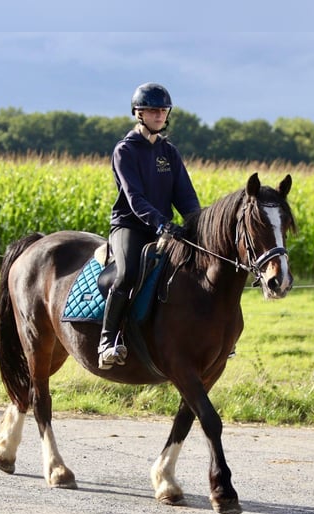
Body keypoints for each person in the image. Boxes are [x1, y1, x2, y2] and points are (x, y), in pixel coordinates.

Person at [98, 82, 202, 370]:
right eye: (152, 110)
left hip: (163, 228)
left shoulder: (169, 152)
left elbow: (186, 196)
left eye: (163, 110)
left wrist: (198, 225)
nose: (159, 115)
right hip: (130, 226)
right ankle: (107, 341)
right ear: (138, 113)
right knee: (128, 272)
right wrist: (161, 223)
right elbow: (134, 198)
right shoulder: (125, 150)